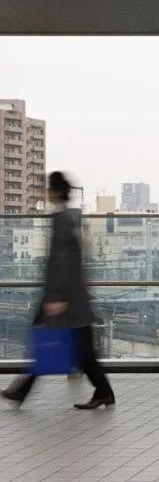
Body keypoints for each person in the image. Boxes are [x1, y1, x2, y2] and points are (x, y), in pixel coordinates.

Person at [2, 171, 115, 409]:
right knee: (72, 347)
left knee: (59, 345)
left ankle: (22, 390)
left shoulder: (62, 220)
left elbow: (64, 262)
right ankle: (103, 392)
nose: (45, 192)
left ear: (54, 191)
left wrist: (57, 297)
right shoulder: (68, 218)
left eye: (48, 188)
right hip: (70, 296)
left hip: (65, 298)